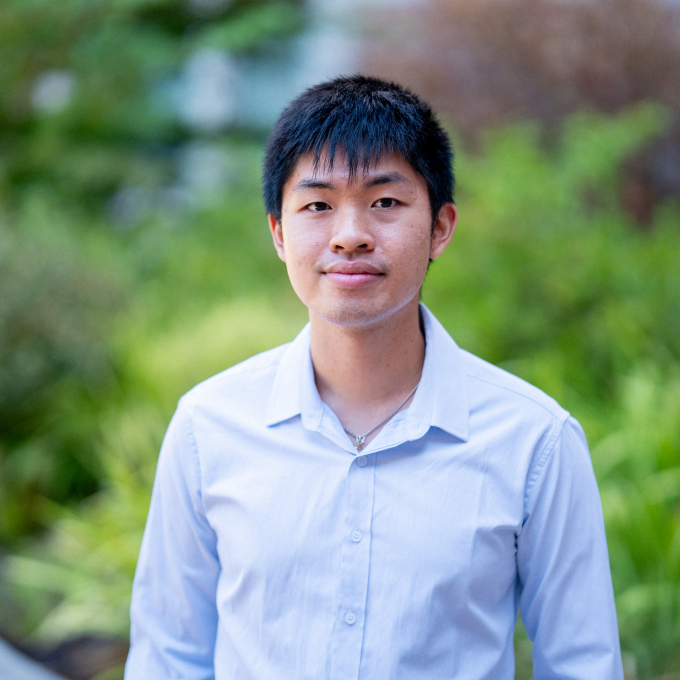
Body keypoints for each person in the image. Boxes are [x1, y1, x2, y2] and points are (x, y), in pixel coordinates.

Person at [125, 75, 623, 679]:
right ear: (279, 234)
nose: (351, 234)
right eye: (317, 205)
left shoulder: (535, 442)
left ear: (440, 227)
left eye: (386, 202)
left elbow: (582, 666)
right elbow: (167, 660)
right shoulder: (210, 427)